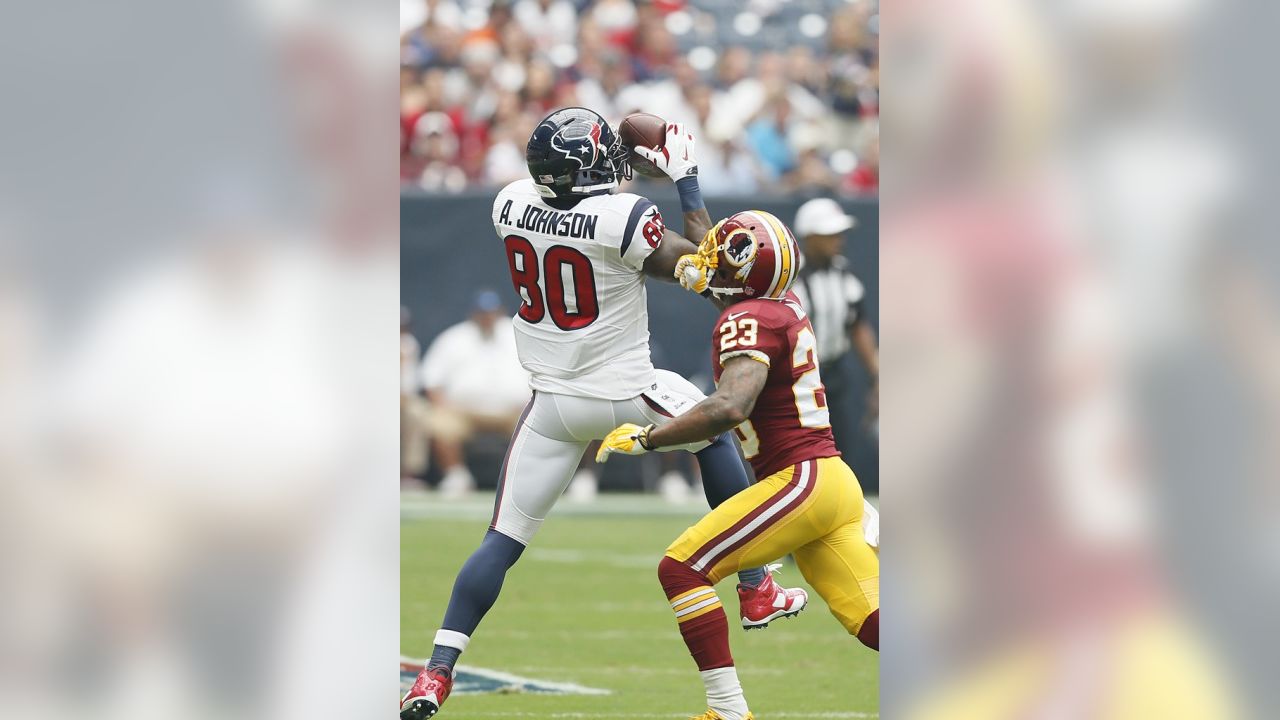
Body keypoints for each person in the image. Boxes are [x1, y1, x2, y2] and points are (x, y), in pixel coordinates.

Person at [401, 108, 804, 719]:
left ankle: (434, 674)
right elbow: (712, 269)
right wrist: (685, 179)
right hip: (624, 389)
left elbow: (580, 205)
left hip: (550, 405)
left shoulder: (508, 201)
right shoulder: (624, 219)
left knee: (501, 541)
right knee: (715, 435)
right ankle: (755, 587)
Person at [597, 210, 880, 720]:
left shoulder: (746, 319)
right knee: (875, 624)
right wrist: (684, 179)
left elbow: (729, 407)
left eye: (717, 258)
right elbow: (720, 259)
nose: (704, 259)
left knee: (681, 569)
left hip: (801, 480)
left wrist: (650, 438)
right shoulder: (779, 303)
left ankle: (728, 711)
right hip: (830, 481)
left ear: (739, 273)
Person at [419, 290, 531, 497]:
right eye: (482, 313)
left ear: (500, 312)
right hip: (463, 412)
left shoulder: (520, 333)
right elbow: (431, 380)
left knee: (543, 425)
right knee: (439, 422)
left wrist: (532, 401)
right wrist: (443, 405)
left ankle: (528, 482)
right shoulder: (454, 338)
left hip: (514, 412)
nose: (487, 317)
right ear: (474, 314)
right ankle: (456, 476)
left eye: (491, 312)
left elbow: (540, 371)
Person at [791, 197, 878, 446]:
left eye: (840, 233)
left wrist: (877, 375)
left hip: (834, 375)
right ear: (809, 236)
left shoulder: (844, 274)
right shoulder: (791, 277)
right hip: (795, 378)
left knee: (837, 447)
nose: (838, 240)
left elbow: (858, 325)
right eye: (829, 234)